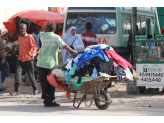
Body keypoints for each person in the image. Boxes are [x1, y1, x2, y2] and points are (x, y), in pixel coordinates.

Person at [36, 22, 77, 107]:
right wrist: (74, 52)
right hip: (51, 65)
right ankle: (51, 101)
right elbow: (65, 46)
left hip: (41, 63)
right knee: (51, 83)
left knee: (44, 83)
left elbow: (41, 30)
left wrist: (45, 26)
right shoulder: (56, 37)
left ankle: (46, 101)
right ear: (55, 29)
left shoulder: (43, 36)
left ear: (47, 28)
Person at [11, 23, 38, 96]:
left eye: (23, 29)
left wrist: (33, 55)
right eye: (21, 29)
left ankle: (35, 89)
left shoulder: (29, 37)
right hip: (20, 59)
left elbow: (34, 47)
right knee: (17, 75)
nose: (22, 30)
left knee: (31, 75)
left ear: (26, 29)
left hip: (28, 59)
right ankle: (17, 91)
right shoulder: (19, 37)